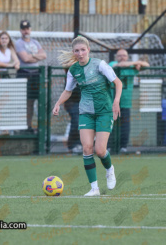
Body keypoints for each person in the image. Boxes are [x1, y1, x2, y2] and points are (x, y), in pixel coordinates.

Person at [52, 36, 122, 197]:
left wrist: (116, 102)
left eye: (83, 50)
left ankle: (109, 169)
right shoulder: (73, 70)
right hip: (86, 112)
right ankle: (94, 188)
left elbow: (118, 83)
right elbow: (68, 90)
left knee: (100, 150)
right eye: (77, 50)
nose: (80, 53)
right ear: (73, 52)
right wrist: (57, 103)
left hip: (104, 111)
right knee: (86, 148)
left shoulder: (100, 64)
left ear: (88, 50)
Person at [108, 49, 149, 153]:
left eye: (124, 55)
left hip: (126, 102)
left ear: (127, 57)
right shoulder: (112, 64)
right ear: (116, 57)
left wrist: (137, 63)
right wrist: (136, 63)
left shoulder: (131, 68)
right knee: (109, 125)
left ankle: (123, 147)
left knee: (125, 126)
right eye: (120, 55)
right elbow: (119, 65)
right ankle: (108, 146)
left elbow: (146, 65)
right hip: (111, 102)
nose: (122, 57)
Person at [15, 20, 47, 133]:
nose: (26, 31)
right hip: (24, 74)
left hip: (35, 74)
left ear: (30, 29)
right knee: (25, 102)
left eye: (27, 29)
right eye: (23, 29)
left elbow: (44, 55)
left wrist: (32, 55)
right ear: (20, 31)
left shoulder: (35, 42)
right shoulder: (18, 43)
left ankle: (35, 126)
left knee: (35, 101)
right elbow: (25, 59)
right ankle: (25, 126)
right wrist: (35, 57)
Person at [0, 31, 20, 134]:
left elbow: (17, 61)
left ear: (9, 40)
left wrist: (16, 64)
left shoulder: (10, 49)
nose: (4, 40)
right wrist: (10, 65)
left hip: (6, 77)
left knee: (6, 102)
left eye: (6, 38)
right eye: (2, 38)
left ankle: (6, 125)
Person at [63, 68, 81, 153]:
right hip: (72, 101)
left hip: (85, 101)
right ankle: (72, 145)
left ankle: (81, 144)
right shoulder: (70, 70)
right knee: (76, 121)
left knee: (85, 123)